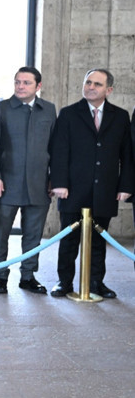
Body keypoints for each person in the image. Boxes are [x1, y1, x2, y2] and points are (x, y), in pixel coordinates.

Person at [50, 69, 133, 298]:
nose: (91, 87)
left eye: (97, 84)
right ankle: (64, 282)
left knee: (99, 240)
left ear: (109, 90)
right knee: (68, 240)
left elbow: (127, 155)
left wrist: (125, 186)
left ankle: (96, 283)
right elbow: (59, 151)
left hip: (105, 189)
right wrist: (59, 183)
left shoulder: (120, 116)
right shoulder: (68, 114)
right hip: (72, 190)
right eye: (88, 82)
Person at [0, 66, 56, 295]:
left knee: (33, 235)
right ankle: (0, 276)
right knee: (1, 233)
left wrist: (53, 179)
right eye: (17, 82)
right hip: (7, 183)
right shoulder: (2, 108)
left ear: (38, 86)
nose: (20, 86)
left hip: (39, 184)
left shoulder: (48, 110)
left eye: (26, 83)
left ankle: (28, 276)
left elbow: (55, 148)